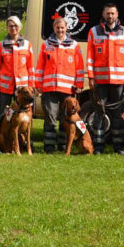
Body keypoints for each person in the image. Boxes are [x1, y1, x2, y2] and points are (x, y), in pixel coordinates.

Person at [86, 3, 124, 155]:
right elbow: (90, 56)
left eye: (113, 13)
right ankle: (98, 147)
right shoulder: (94, 32)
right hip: (100, 81)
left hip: (119, 82)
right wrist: (91, 77)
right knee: (100, 114)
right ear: (103, 14)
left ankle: (118, 147)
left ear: (117, 14)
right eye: (108, 13)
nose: (110, 16)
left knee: (118, 115)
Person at [35, 17, 84, 153]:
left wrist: (79, 84)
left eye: (62, 28)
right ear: (54, 28)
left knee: (65, 120)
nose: (60, 30)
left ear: (66, 28)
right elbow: (40, 66)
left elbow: (79, 67)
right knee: (50, 118)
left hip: (67, 89)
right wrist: (38, 84)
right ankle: (49, 147)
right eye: (58, 27)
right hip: (49, 88)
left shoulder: (74, 45)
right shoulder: (46, 44)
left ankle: (63, 145)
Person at [0, 16, 35, 152]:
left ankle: (27, 145)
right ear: (7, 28)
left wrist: (32, 87)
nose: (13, 28)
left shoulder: (27, 45)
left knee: (26, 118)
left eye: (15, 26)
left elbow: (31, 68)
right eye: (10, 26)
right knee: (1, 116)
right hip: (5, 87)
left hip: (22, 89)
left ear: (20, 27)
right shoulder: (1, 45)